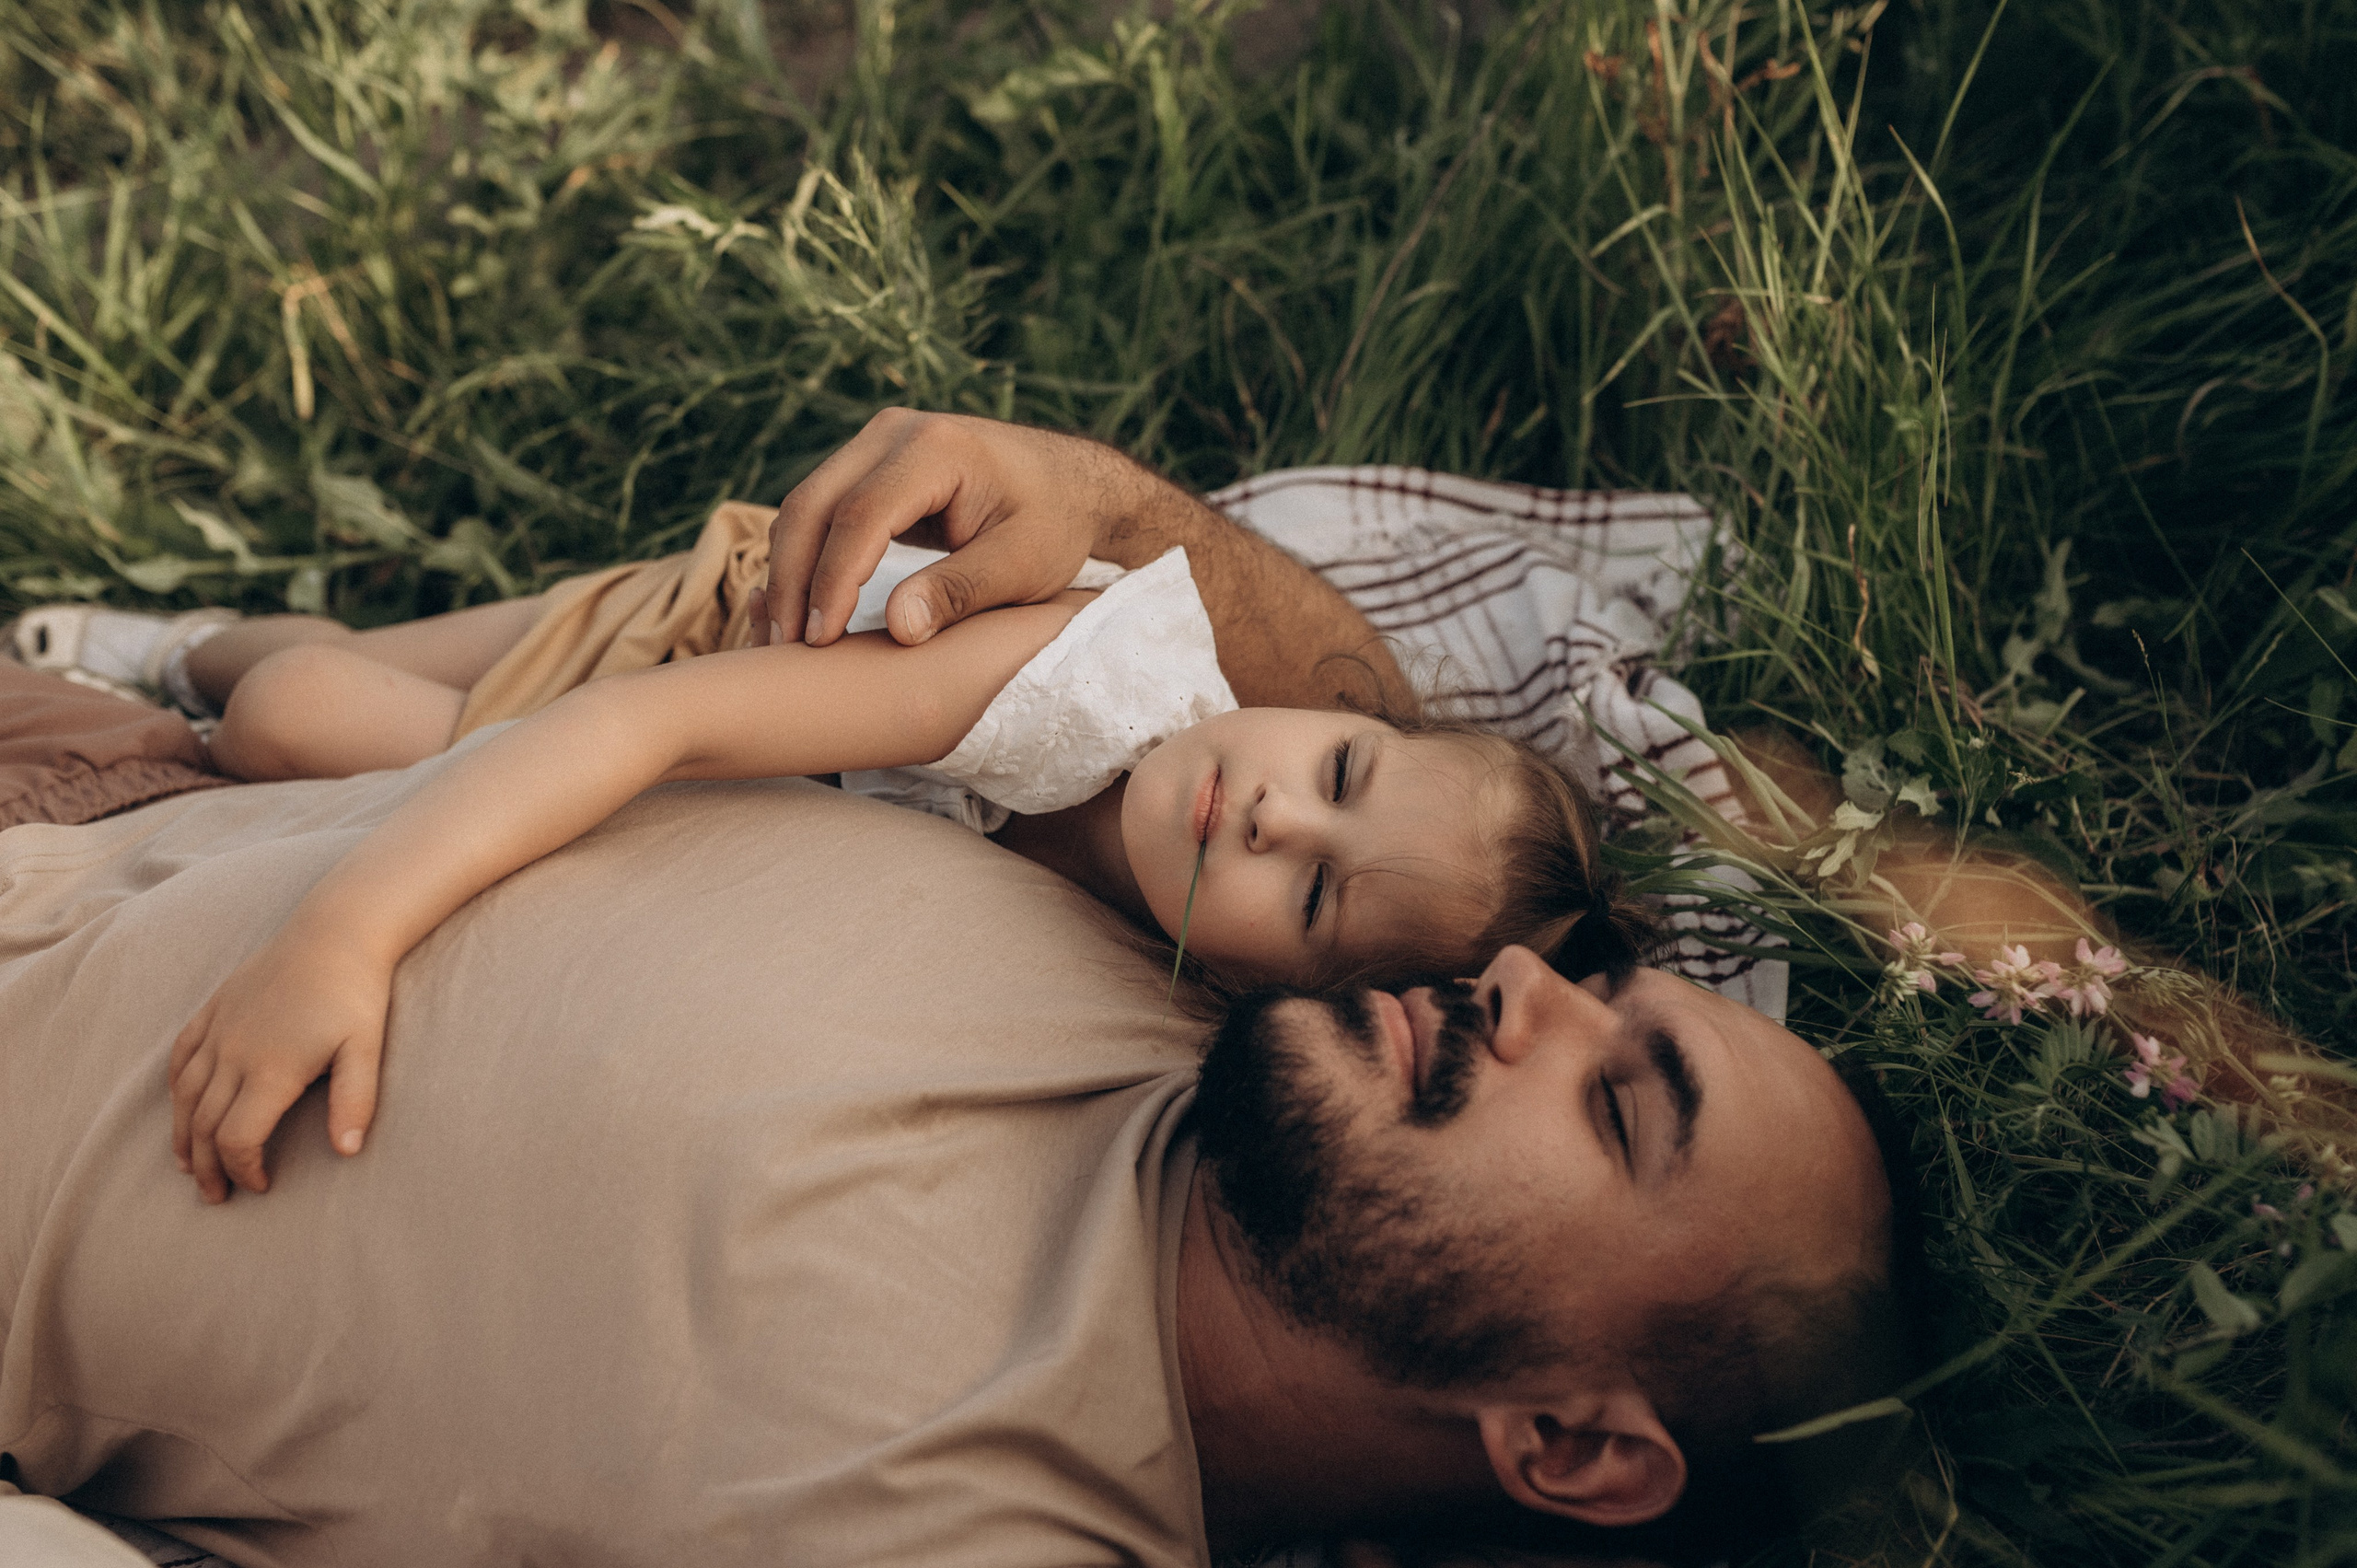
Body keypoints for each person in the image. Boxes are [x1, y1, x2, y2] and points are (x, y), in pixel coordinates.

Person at [0, 413, 1906, 1568]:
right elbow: (1384, 756)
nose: (1516, 991)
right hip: (99, 779)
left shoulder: (994, 1523)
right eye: (1579, 986)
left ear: (1568, 1446)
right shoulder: (1186, 949)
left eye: (1618, 1101)